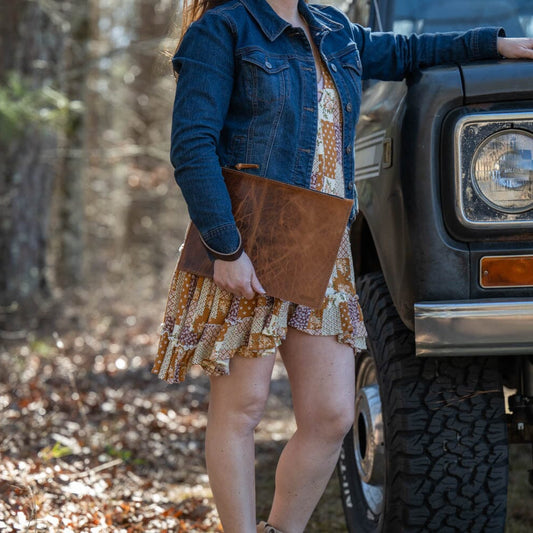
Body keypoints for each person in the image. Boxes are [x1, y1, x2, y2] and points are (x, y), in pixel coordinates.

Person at [152, 1, 533, 531]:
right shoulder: (223, 30)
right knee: (243, 406)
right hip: (251, 241)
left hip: (321, 245)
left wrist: (494, 44)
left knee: (331, 416)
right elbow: (192, 147)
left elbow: (407, 51)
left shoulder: (333, 29)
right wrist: (226, 249)